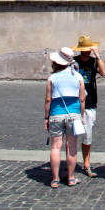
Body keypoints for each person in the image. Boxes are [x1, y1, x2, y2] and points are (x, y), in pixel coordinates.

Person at [44, 51, 85, 188]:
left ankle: (55, 179)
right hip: (74, 114)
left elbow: (48, 99)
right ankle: (71, 178)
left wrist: (46, 117)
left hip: (56, 114)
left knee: (56, 146)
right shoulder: (78, 76)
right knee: (71, 146)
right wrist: (82, 115)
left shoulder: (52, 78)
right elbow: (82, 99)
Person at [71, 36, 105, 178]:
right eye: (84, 50)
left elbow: (103, 73)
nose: (87, 52)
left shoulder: (93, 61)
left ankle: (86, 164)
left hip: (90, 101)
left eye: (88, 50)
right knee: (71, 136)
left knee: (88, 135)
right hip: (74, 102)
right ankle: (71, 165)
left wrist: (98, 56)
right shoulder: (74, 62)